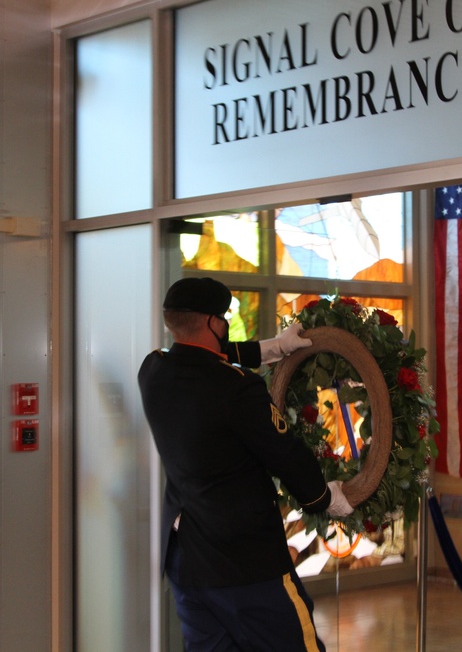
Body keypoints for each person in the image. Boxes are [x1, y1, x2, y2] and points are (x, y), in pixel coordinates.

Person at [138, 277, 352, 651]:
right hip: (247, 565)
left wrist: (272, 349)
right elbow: (285, 453)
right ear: (212, 323)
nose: (225, 325)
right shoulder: (236, 389)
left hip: (189, 564)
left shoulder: (153, 371)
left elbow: (200, 356)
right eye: (223, 318)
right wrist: (323, 498)